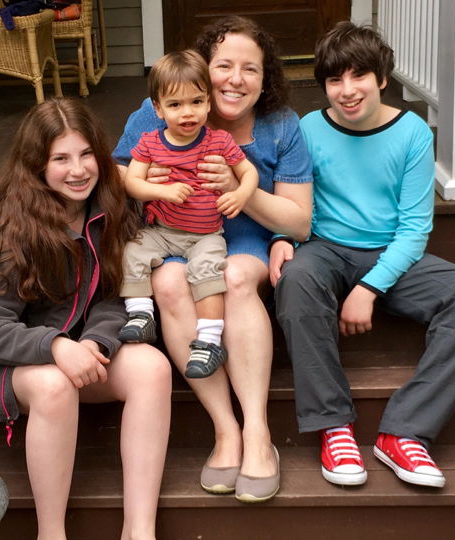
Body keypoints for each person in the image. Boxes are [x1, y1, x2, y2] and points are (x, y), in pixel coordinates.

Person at [272, 21, 455, 489]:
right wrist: (284, 240)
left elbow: (415, 230)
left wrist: (369, 289)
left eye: (359, 76)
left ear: (382, 78)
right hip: (324, 248)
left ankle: (405, 433)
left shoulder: (412, 132)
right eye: (335, 80)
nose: (347, 91)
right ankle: (334, 426)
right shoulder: (309, 129)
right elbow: (296, 205)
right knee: (295, 278)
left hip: (391, 254)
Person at [113, 16, 313, 502]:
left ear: (266, 80)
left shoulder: (280, 126)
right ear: (203, 68)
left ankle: (259, 433)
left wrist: (238, 190)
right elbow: (118, 178)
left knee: (237, 276)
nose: (235, 79)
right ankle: (226, 428)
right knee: (166, 285)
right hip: (176, 233)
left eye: (251, 69)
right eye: (223, 65)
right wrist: (152, 180)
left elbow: (299, 220)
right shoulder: (156, 110)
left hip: (242, 238)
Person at [0, 98, 172, 540]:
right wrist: (56, 346)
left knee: (153, 368)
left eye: (86, 153)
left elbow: (116, 294)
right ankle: (51, 533)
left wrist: (96, 342)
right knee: (54, 387)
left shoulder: (110, 210)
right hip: (0, 359)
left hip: (76, 347)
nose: (78, 170)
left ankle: (139, 530)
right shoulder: (7, 227)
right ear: (36, 165)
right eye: (60, 159)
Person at [119, 50, 258, 381]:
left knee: (207, 272)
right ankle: (140, 315)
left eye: (196, 102)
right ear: (158, 108)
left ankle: (209, 342)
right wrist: (163, 192)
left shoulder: (219, 141)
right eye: (175, 105)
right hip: (163, 228)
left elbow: (248, 172)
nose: (187, 113)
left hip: (206, 233)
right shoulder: (150, 142)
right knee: (132, 250)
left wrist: (240, 193)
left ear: (209, 103)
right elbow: (133, 183)